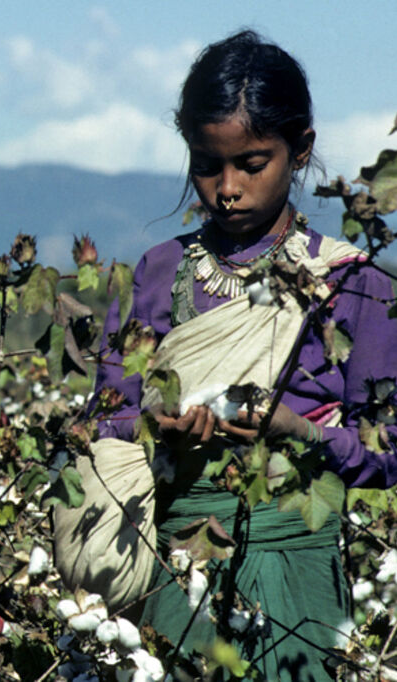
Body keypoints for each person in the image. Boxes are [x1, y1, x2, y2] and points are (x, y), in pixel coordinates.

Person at [79, 30, 397, 680]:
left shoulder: (350, 283)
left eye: (252, 164)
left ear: (299, 150)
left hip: (298, 577)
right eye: (206, 164)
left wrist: (298, 431)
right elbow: (103, 417)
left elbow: (387, 452)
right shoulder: (157, 274)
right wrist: (154, 428)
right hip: (178, 572)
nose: (226, 188)